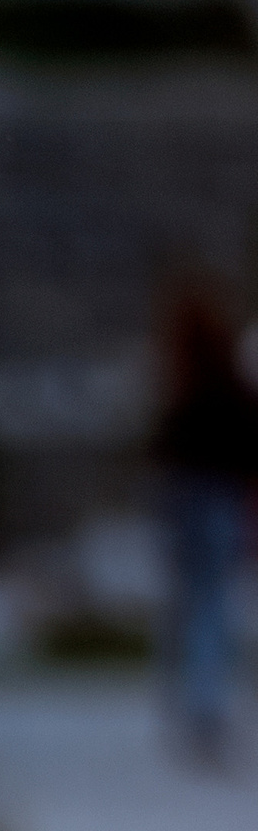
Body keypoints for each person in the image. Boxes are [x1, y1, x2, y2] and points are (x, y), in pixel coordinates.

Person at [147, 284, 258, 768]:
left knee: (191, 607)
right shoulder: (228, 387)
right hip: (216, 504)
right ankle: (203, 705)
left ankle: (196, 703)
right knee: (210, 607)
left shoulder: (186, 386)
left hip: (186, 503)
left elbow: (162, 449)